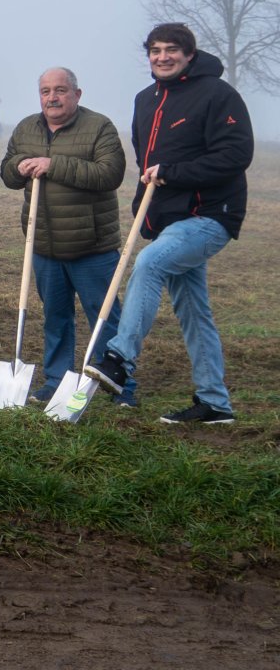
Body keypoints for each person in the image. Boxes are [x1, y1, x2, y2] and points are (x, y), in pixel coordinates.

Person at [87, 23, 254, 424]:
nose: (163, 56)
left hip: (211, 214)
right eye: (156, 50)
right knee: (194, 312)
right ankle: (214, 402)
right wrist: (148, 210)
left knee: (150, 263)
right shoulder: (146, 99)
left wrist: (174, 172)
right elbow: (148, 164)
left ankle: (119, 357)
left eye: (172, 50)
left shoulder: (218, 94)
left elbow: (236, 154)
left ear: (189, 54)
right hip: (169, 220)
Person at [0, 67, 134, 407]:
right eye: (45, 91)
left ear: (77, 94)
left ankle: (120, 386)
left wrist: (52, 164)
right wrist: (18, 167)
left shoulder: (98, 126)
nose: (52, 97)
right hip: (44, 245)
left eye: (60, 90)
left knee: (103, 318)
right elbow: (7, 174)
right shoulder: (27, 127)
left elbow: (109, 174)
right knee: (56, 318)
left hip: (92, 246)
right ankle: (56, 380)